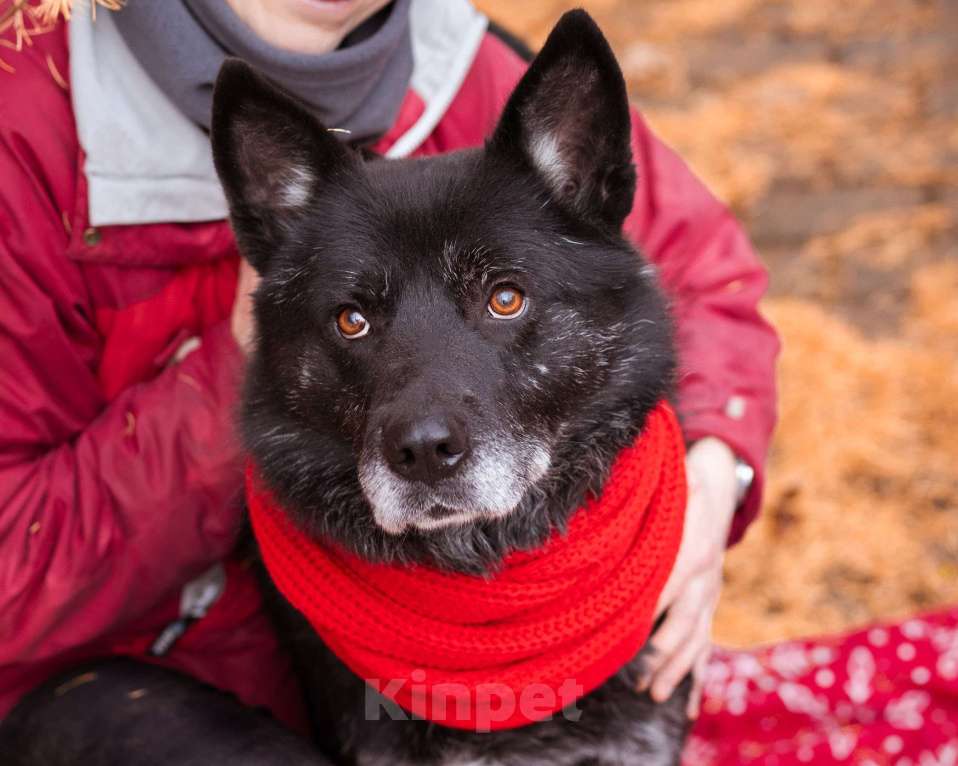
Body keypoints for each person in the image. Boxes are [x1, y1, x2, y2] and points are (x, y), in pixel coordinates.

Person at [0, 0, 779, 730]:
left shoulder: (458, 60)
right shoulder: (25, 119)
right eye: (351, 318)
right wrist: (244, 356)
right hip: (115, 683)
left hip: (431, 645)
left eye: (501, 299)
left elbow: (702, 278)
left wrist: (712, 481)